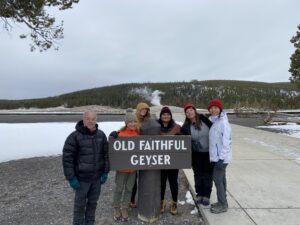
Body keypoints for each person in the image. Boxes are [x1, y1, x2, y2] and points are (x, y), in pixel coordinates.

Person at [62, 111, 109, 225]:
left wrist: (105, 172)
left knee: (93, 204)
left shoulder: (101, 135)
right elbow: (67, 159)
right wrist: (71, 178)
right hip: (81, 180)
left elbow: (106, 155)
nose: (90, 121)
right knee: (79, 206)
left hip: (97, 179)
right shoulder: (74, 137)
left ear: (96, 120)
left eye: (93, 119)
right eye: (88, 118)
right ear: (83, 120)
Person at [181, 103, 213, 206]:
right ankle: (199, 194)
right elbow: (181, 137)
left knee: (207, 174)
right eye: (187, 111)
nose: (189, 112)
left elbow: (215, 129)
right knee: (198, 174)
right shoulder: (186, 126)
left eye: (190, 110)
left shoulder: (204, 120)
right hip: (196, 154)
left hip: (208, 153)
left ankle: (207, 195)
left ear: (195, 111)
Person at [110, 109, 139, 221]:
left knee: (129, 188)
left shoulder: (138, 133)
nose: (132, 124)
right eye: (130, 122)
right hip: (122, 168)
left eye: (134, 122)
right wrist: (112, 136)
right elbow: (113, 148)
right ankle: (116, 207)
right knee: (119, 188)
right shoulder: (120, 134)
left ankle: (125, 207)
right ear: (126, 123)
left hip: (133, 169)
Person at [208, 99, 232, 214]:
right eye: (211, 108)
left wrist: (221, 158)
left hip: (221, 158)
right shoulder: (215, 121)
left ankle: (222, 204)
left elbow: (226, 143)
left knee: (217, 180)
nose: (213, 110)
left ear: (220, 109)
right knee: (222, 179)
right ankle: (223, 202)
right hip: (217, 157)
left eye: (216, 108)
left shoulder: (223, 123)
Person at [158, 106, 181, 215]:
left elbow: (185, 138)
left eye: (168, 114)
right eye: (164, 114)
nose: (166, 116)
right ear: (161, 116)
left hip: (173, 160)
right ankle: (161, 202)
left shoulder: (176, 127)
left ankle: (174, 202)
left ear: (170, 116)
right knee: (161, 182)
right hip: (160, 160)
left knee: (173, 182)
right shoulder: (156, 127)